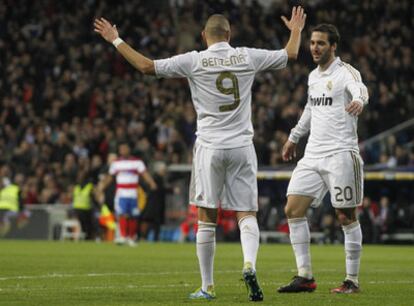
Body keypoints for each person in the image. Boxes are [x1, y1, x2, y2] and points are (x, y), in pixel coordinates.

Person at [94, 7, 306, 301]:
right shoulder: (246, 56)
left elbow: (146, 66)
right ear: (229, 35)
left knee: (206, 217)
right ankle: (249, 264)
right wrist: (295, 30)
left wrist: (115, 39)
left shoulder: (194, 60)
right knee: (247, 213)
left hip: (209, 147)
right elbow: (290, 54)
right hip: (242, 146)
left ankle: (208, 287)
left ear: (204, 36)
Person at [278, 24, 369, 294]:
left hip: (341, 153)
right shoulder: (312, 77)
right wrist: (294, 136)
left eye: (320, 43)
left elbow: (360, 88)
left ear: (333, 47)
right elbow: (309, 108)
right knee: (292, 209)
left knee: (345, 215)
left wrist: (360, 101)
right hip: (312, 155)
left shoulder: (345, 72)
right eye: (313, 42)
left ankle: (352, 280)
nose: (315, 47)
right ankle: (305, 276)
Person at [107, 143, 157, 246]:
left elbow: (145, 174)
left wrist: (151, 183)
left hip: (133, 193)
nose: (123, 150)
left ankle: (131, 237)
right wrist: (101, 186)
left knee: (133, 215)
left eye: (125, 148)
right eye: (121, 149)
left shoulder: (137, 162)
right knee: (122, 214)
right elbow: (110, 177)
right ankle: (123, 236)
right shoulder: (116, 163)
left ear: (129, 149)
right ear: (119, 151)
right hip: (121, 193)